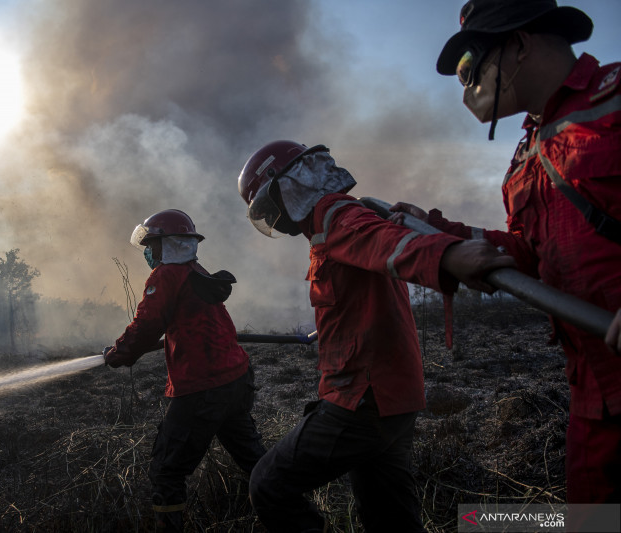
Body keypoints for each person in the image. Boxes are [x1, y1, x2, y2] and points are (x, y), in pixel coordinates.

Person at [390, 0, 621, 511]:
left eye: (471, 65)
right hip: (594, 396)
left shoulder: (615, 99)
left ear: (518, 43)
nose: (467, 85)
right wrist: (441, 233)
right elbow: (534, 258)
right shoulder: (524, 160)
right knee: (590, 522)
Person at [236, 140, 515, 532]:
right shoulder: (326, 224)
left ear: (286, 187)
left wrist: (445, 256)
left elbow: (384, 243)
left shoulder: (334, 215)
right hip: (391, 397)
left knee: (267, 484)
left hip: (363, 398)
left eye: (269, 207)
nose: (274, 220)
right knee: (390, 518)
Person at [103, 209, 266, 532]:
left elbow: (148, 324)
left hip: (202, 387)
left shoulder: (166, 276)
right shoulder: (195, 271)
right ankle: (293, 510)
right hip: (235, 379)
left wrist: (118, 354)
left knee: (166, 470)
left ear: (167, 244)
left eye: (153, 244)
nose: (149, 251)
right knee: (254, 459)